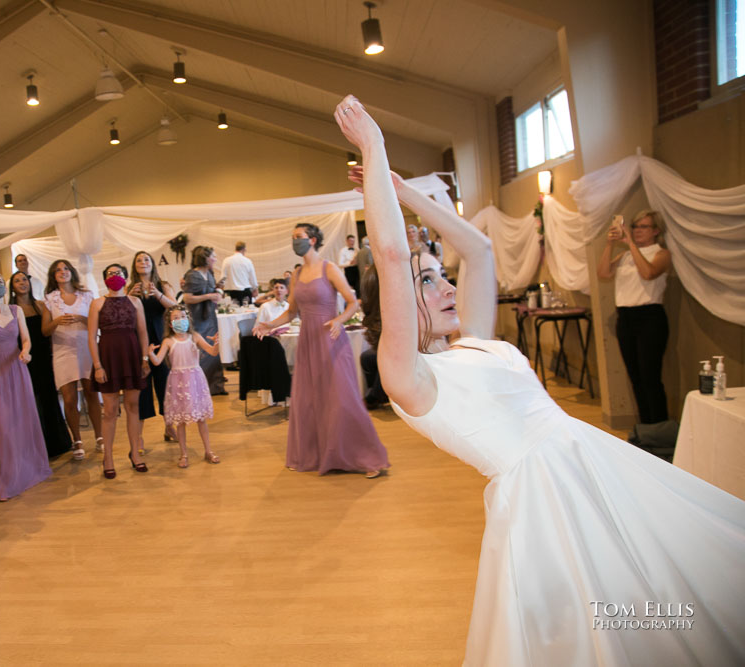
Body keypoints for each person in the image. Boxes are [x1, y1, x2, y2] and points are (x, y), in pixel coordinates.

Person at [335, 93, 745, 665]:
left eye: (439, 277)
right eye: (429, 281)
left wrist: (406, 194)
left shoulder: (470, 339)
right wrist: (374, 147)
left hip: (589, 459)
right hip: (544, 498)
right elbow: (389, 253)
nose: (447, 286)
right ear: (395, 304)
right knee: (590, 618)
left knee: (654, 584)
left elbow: (476, 250)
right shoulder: (409, 377)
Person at [253, 223, 389, 478]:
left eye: (299, 237)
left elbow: (352, 302)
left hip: (331, 339)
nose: (295, 241)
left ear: (313, 240)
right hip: (308, 341)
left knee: (342, 398)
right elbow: (292, 312)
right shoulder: (295, 275)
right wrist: (268, 324)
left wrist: (339, 320)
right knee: (310, 400)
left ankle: (368, 458)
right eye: (293, 237)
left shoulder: (330, 268)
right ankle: (319, 454)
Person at [0, 274, 51, 501]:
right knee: (4, 427)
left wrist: (26, 351)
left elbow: (26, 339)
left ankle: (29, 471)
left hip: (17, 368)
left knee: (24, 421)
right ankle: (7, 480)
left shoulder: (16, 311)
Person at [596, 211, 672, 424]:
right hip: (626, 318)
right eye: (635, 226)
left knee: (650, 377)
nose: (637, 230)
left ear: (655, 231)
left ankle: (659, 427)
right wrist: (610, 244)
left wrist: (630, 242)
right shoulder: (625, 256)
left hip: (650, 318)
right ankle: (646, 427)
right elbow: (602, 273)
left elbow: (648, 274)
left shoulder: (661, 253)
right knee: (636, 377)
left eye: (643, 227)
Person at [88, 263, 150, 479]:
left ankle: (135, 453)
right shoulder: (97, 303)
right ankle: (108, 458)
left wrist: (144, 359)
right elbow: (91, 337)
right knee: (110, 411)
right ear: (104, 278)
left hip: (132, 356)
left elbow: (143, 332)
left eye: (118, 273)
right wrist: (97, 366)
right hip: (108, 358)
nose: (114, 276)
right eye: (110, 273)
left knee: (133, 406)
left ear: (125, 277)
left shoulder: (136, 302)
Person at [41, 258, 102, 458]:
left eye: (66, 268)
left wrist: (81, 318)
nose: (62, 271)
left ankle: (100, 436)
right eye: (58, 270)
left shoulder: (86, 295)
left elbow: (96, 322)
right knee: (69, 398)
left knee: (91, 392)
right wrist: (58, 320)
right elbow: (44, 331)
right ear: (53, 276)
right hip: (63, 351)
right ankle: (77, 439)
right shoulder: (50, 300)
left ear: (72, 272)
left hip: (85, 347)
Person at [147, 305, 221, 468]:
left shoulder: (194, 336)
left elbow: (213, 352)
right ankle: (184, 454)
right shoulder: (168, 341)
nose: (180, 320)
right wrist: (150, 353)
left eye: (182, 316)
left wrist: (216, 343)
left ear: (188, 318)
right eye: (175, 318)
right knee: (180, 421)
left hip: (195, 380)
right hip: (178, 382)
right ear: (169, 323)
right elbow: (158, 361)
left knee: (201, 418)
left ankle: (208, 450)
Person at [10, 271, 72, 459]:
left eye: (24, 280)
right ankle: (35, 446)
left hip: (44, 357)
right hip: (23, 359)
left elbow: (48, 332)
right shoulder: (11, 309)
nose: (22, 283)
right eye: (17, 281)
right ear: (12, 287)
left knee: (48, 398)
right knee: (30, 400)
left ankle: (57, 443)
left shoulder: (40, 305)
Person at [127, 251, 179, 451]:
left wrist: (157, 294)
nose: (143, 262)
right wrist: (129, 296)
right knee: (142, 389)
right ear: (134, 265)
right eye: (139, 260)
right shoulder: (129, 287)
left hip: (160, 341)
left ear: (152, 264)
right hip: (139, 343)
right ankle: (139, 437)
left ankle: (169, 427)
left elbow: (175, 307)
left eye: (146, 259)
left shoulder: (163, 285)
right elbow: (123, 310)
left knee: (165, 386)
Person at [182, 246, 227, 395]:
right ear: (205, 258)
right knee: (200, 351)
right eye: (213, 256)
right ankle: (198, 387)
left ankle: (215, 386)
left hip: (210, 318)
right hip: (197, 318)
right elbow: (187, 298)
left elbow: (211, 291)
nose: (215, 259)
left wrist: (218, 290)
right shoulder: (192, 275)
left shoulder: (209, 273)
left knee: (213, 348)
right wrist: (209, 296)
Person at [219, 241, 259, 305]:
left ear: (236, 249)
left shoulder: (226, 260)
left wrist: (220, 291)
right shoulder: (248, 261)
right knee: (247, 312)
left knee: (233, 312)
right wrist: (255, 289)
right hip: (245, 292)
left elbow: (223, 277)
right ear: (244, 249)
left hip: (232, 292)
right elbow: (252, 277)